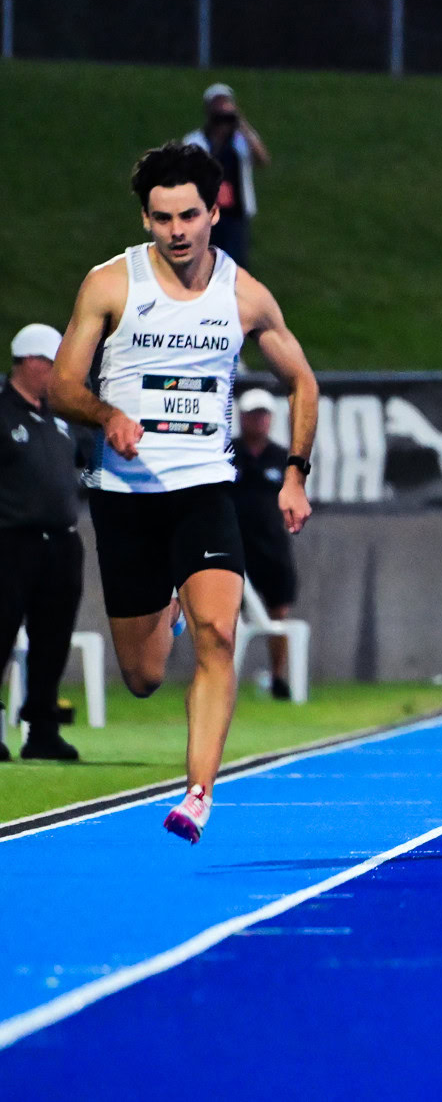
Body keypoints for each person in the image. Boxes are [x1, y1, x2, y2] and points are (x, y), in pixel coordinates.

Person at [49, 141, 318, 843]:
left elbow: (302, 381)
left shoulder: (245, 295)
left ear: (213, 213)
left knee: (219, 634)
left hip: (204, 489)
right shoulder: (110, 284)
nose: (177, 231)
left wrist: (295, 472)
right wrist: (106, 414)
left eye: (189, 216)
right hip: (125, 495)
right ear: (146, 218)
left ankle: (199, 792)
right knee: (142, 675)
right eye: (163, 217)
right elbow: (61, 386)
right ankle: (166, 607)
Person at [0, 324, 85, 762]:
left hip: (61, 544)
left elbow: (83, 463)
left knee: (53, 638)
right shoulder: (2, 412)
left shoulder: (60, 417)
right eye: (54, 364)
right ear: (32, 362)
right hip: (12, 541)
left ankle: (42, 728)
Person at [230, 388, 300, 699]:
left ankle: (278, 677)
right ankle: (222, 677)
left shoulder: (282, 457)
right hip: (234, 543)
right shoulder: (227, 452)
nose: (258, 421)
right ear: (241, 417)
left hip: (272, 547)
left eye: (263, 415)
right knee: (227, 614)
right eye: (252, 415)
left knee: (278, 612)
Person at [181, 83, 271, 270]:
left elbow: (262, 159)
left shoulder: (241, 140)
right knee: (206, 266)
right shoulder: (195, 141)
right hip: (205, 214)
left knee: (235, 267)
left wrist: (241, 124)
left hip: (236, 214)